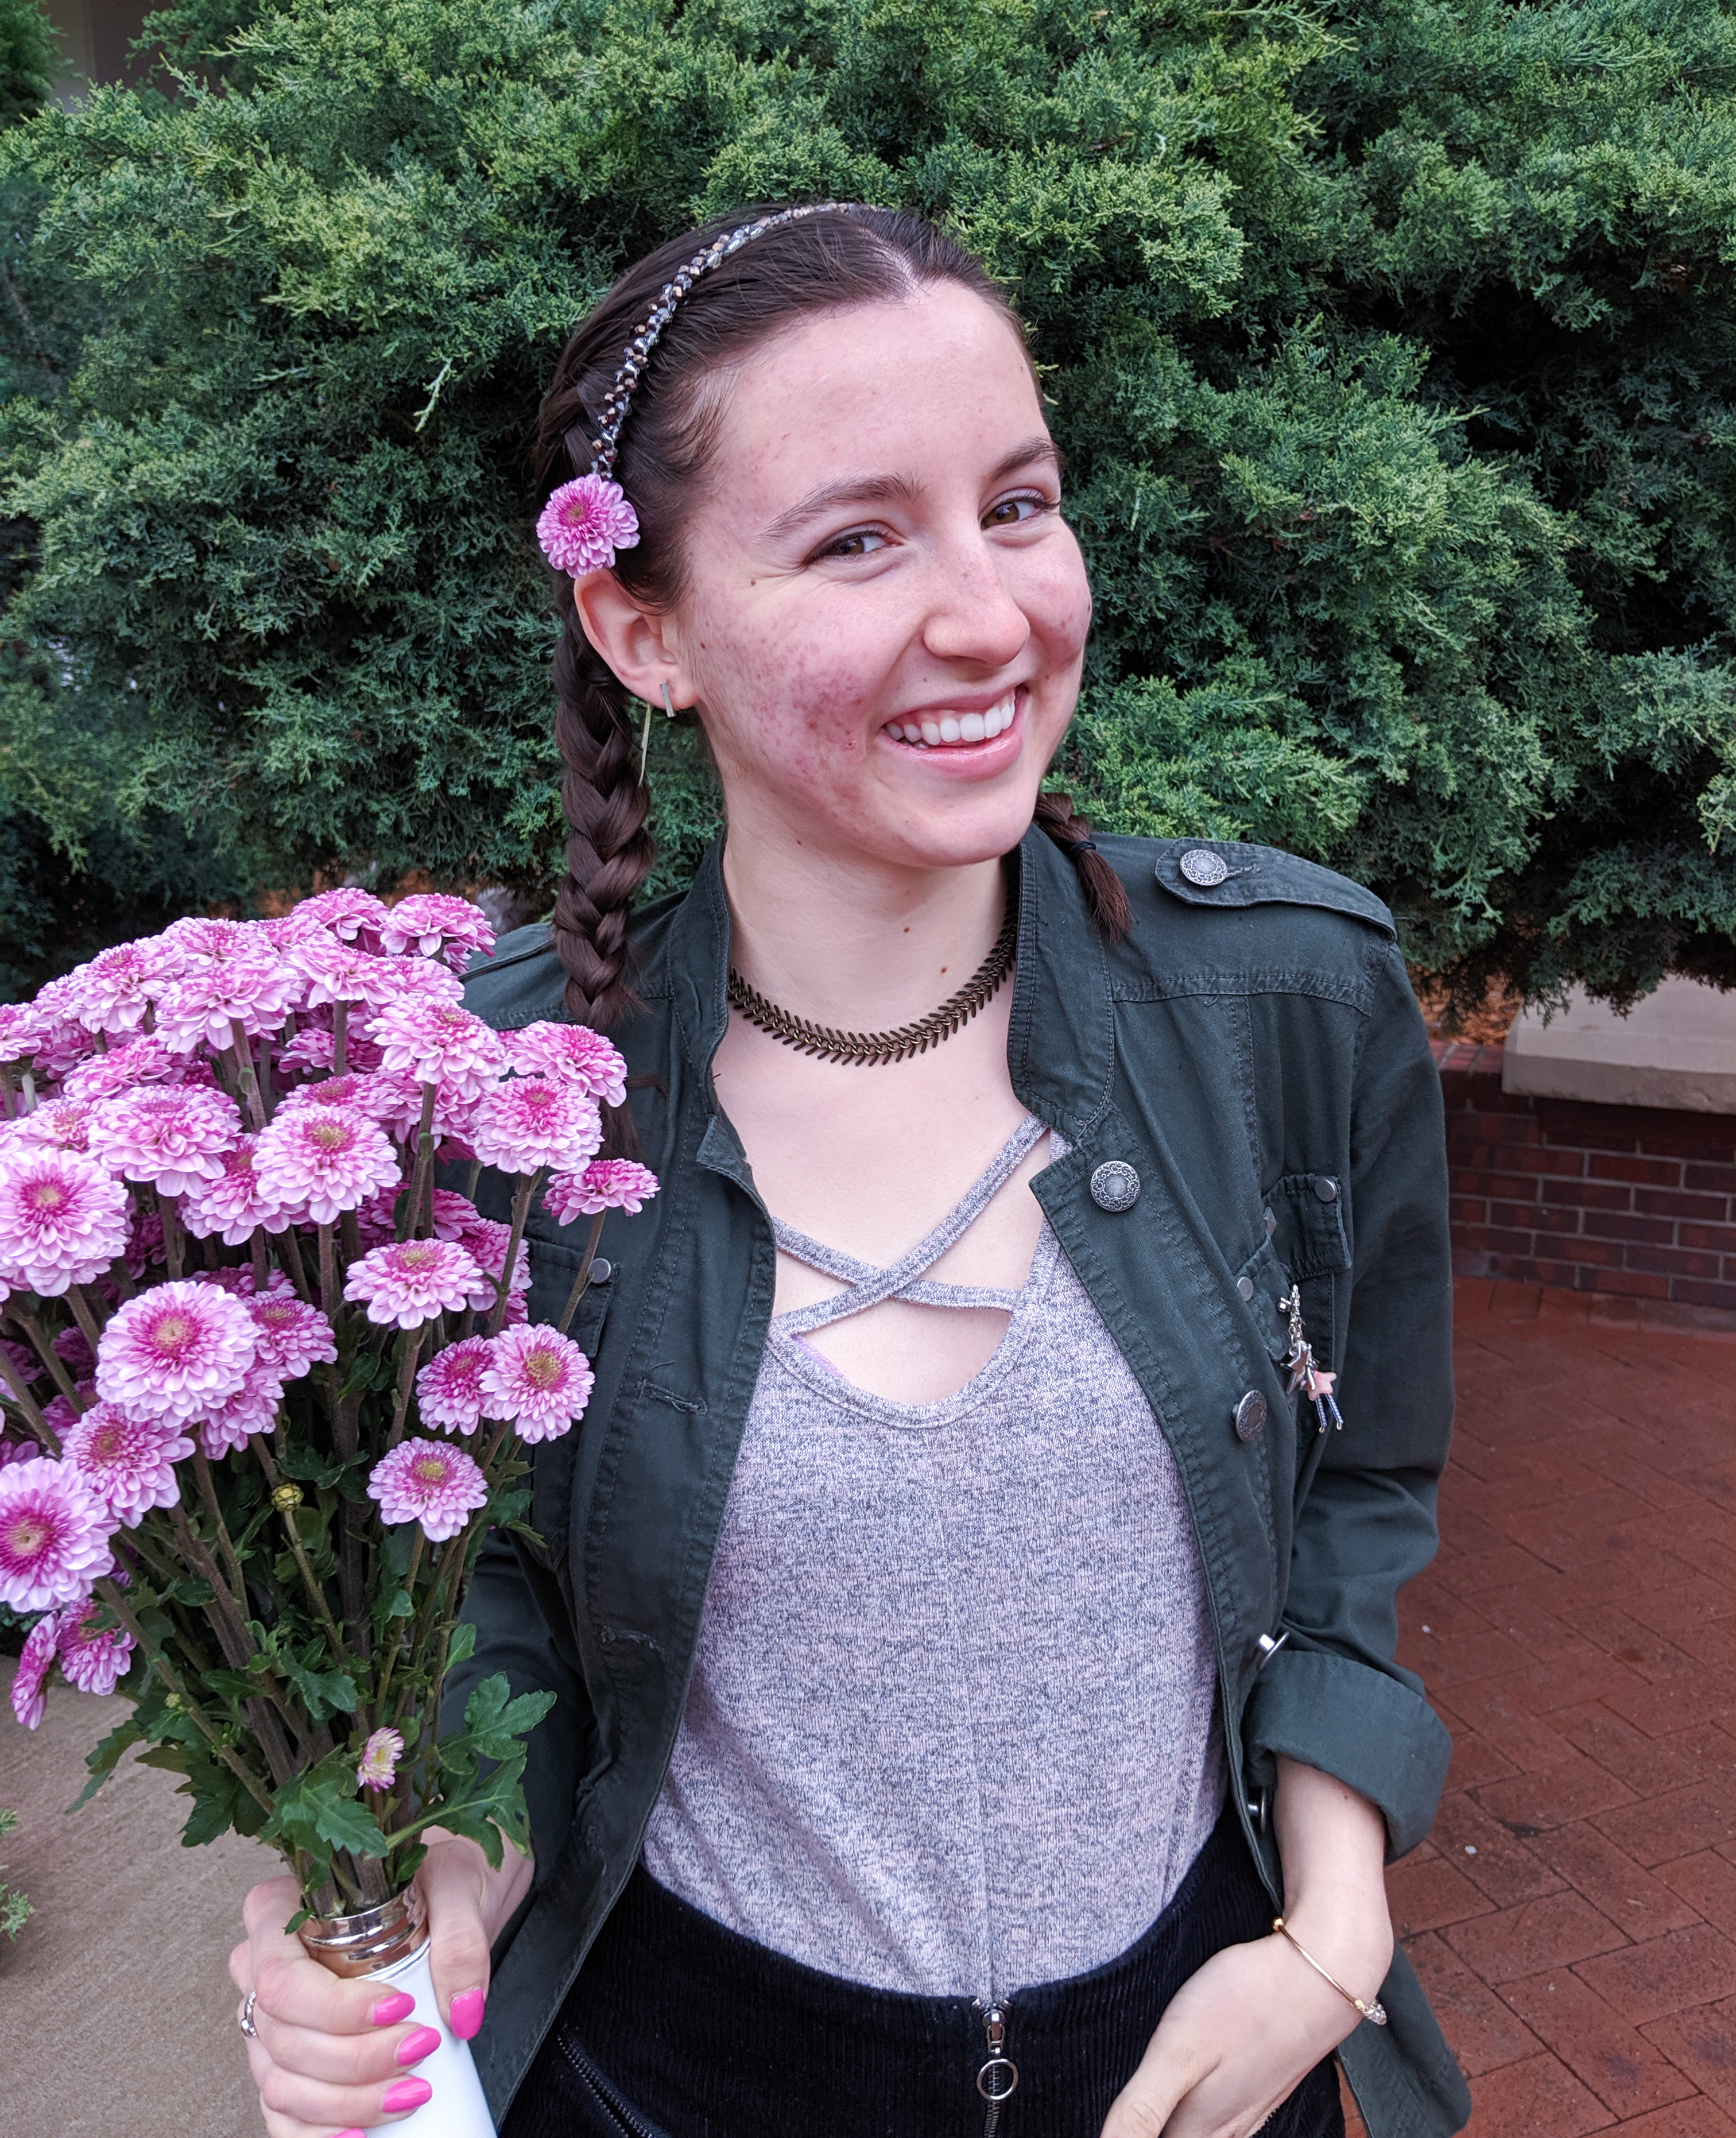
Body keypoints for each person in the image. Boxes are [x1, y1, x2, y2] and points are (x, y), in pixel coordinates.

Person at [230, 202, 1472, 2138]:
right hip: (679, 2077)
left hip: (1199, 2065)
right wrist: (447, 1870)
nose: (989, 613)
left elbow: (1357, 1494)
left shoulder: (1287, 1008)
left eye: (1020, 502)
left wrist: (1329, 1929)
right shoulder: (482, 1106)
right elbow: (478, 1594)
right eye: (858, 537)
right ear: (642, 628)